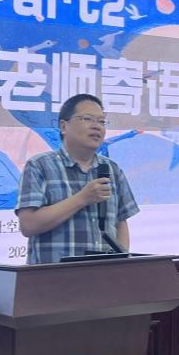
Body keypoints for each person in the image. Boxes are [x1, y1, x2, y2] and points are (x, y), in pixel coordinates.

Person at [15, 93, 140, 264]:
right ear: (64, 126)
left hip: (104, 274)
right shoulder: (39, 165)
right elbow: (28, 225)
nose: (96, 126)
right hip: (54, 276)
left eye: (101, 121)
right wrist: (82, 198)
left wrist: (122, 262)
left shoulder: (112, 169)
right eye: (87, 119)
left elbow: (120, 222)